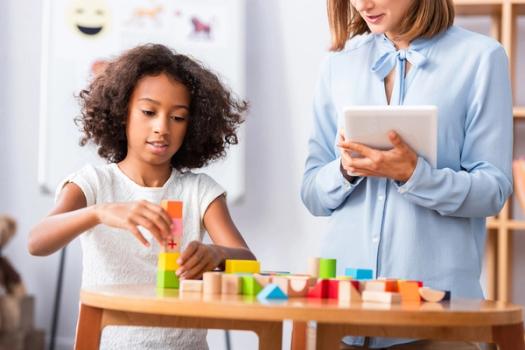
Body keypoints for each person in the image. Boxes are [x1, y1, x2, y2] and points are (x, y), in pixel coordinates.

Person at [301, 0, 512, 348]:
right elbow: (311, 192)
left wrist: (416, 176)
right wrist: (345, 169)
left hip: (437, 316)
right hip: (341, 314)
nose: (363, 4)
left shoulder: (481, 58)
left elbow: (493, 190)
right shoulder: (339, 64)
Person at [28, 43, 255, 349]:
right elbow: (37, 242)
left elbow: (249, 261)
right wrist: (100, 212)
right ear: (123, 112)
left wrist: (218, 255)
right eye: (149, 112)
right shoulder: (93, 183)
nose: (162, 127)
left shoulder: (200, 191)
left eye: (178, 117)